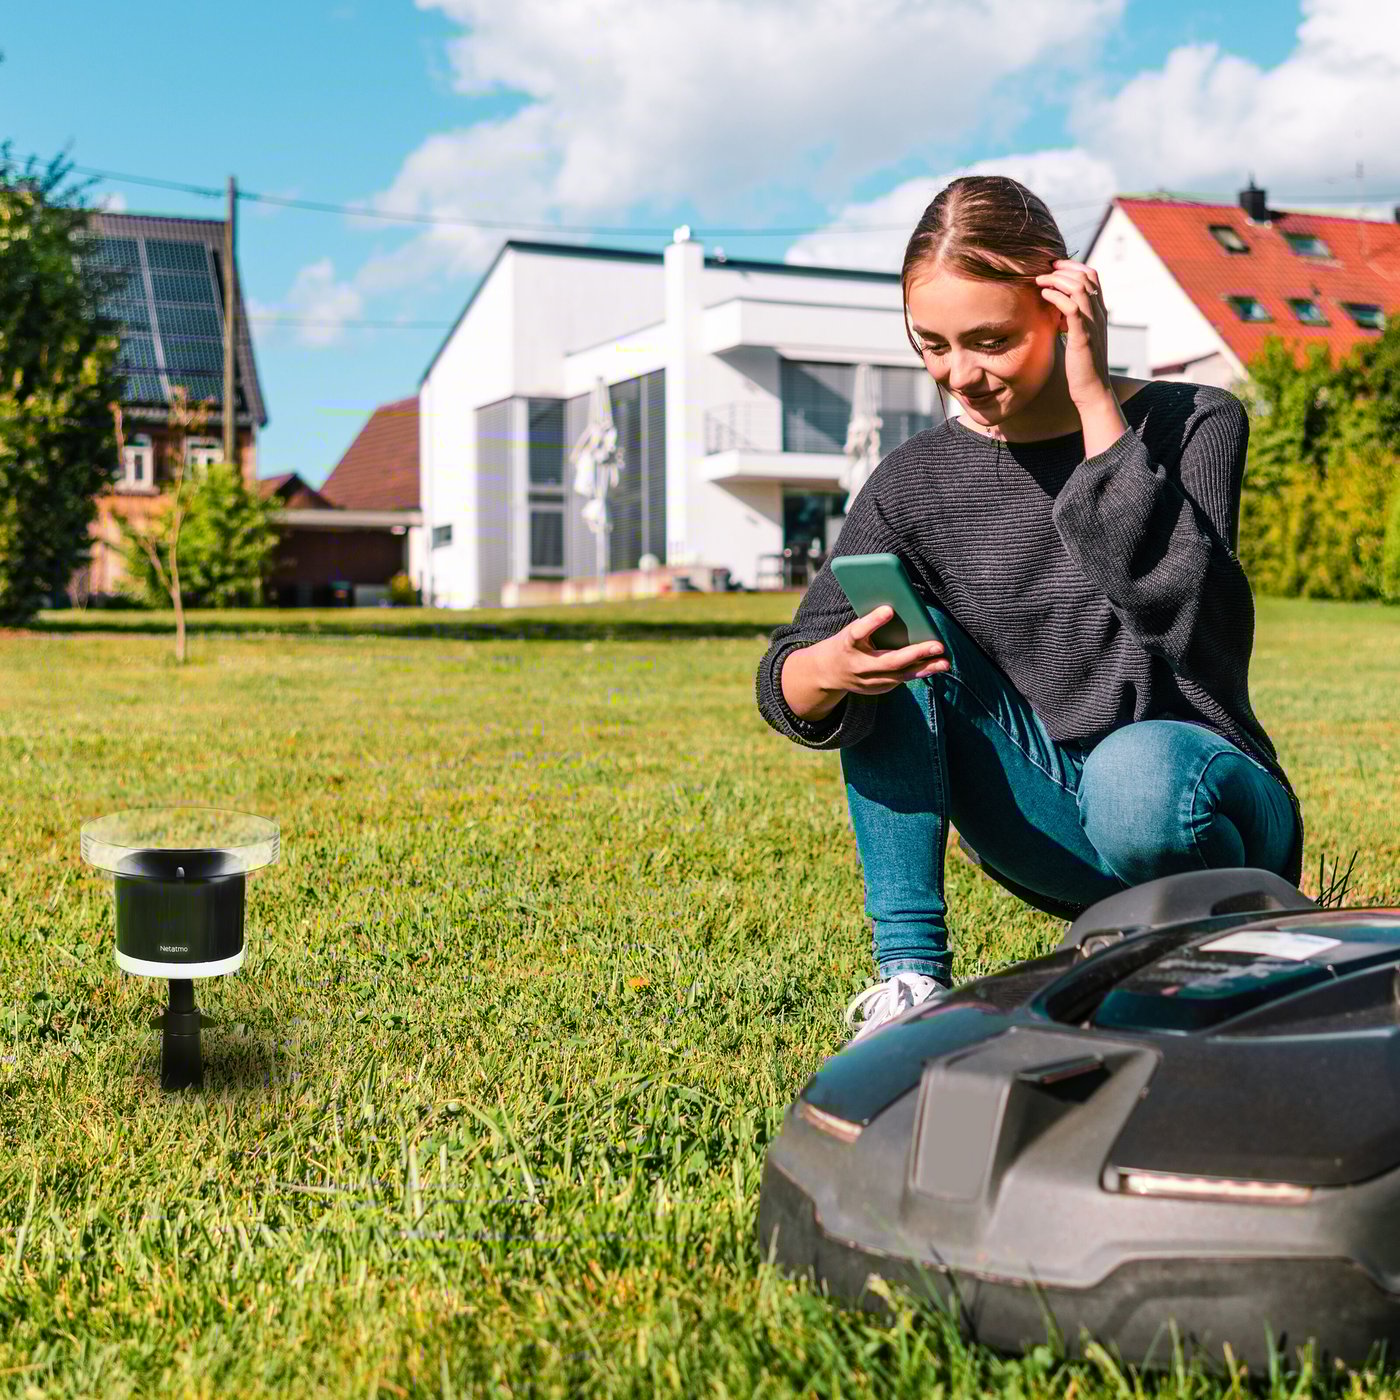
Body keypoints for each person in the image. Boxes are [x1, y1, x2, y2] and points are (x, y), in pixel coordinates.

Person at [754, 175, 1304, 1047]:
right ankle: (911, 981)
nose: (958, 375)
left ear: (1065, 302)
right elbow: (791, 664)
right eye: (930, 343)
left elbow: (1193, 624)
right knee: (893, 648)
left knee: (1136, 775)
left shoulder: (1195, 420)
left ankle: (1205, 939)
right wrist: (825, 671)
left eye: (990, 341)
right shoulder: (911, 484)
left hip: (1205, 804)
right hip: (1051, 821)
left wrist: (1094, 407)